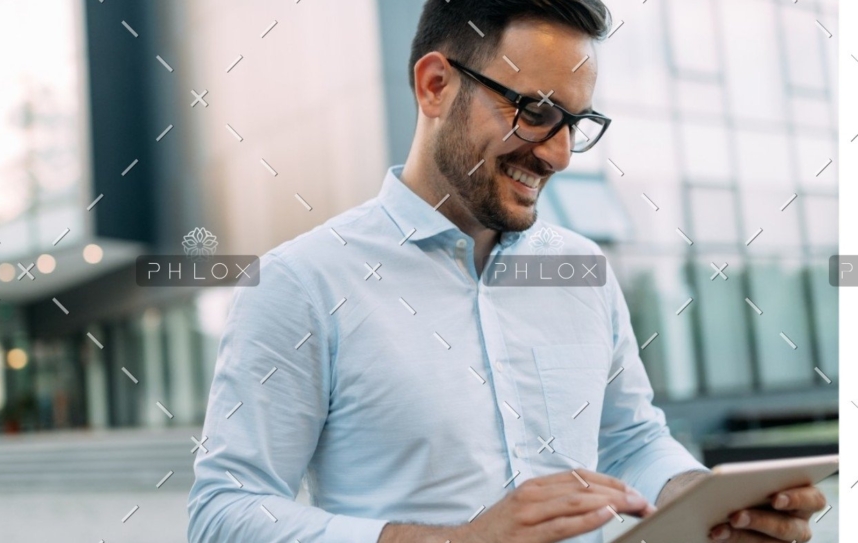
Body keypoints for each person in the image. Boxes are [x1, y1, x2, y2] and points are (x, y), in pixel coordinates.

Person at [187, 1, 827, 542]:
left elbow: (629, 438)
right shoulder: (302, 282)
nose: (558, 154)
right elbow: (224, 510)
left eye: (576, 123)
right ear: (435, 85)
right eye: (536, 111)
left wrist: (709, 502)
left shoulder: (581, 270)